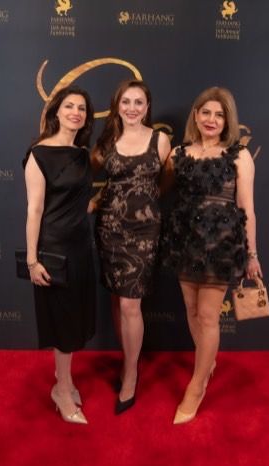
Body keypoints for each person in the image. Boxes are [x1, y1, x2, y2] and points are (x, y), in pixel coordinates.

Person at [161, 87, 263, 424]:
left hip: (220, 245)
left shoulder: (239, 155)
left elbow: (246, 207)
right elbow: (159, 190)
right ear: (195, 115)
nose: (211, 119)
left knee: (207, 317)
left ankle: (197, 385)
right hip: (184, 240)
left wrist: (252, 254)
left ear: (227, 121)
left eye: (219, 115)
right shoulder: (178, 153)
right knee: (192, 311)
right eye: (206, 112)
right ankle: (208, 362)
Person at [91, 80, 171, 414]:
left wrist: (146, 203)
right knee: (116, 297)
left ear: (147, 107)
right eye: (126, 101)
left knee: (129, 304)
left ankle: (131, 374)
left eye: (139, 102)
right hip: (110, 229)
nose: (132, 108)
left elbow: (167, 180)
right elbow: (91, 177)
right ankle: (127, 361)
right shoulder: (106, 141)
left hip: (144, 230)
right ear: (117, 105)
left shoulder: (160, 140)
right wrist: (97, 201)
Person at [23, 86, 96, 424]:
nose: (75, 113)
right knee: (63, 323)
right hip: (54, 249)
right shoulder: (38, 154)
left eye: (81, 108)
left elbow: (80, 202)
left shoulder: (82, 153)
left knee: (74, 320)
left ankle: (64, 380)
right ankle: (62, 390)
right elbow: (35, 210)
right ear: (56, 111)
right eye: (69, 106)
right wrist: (32, 260)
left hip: (81, 246)